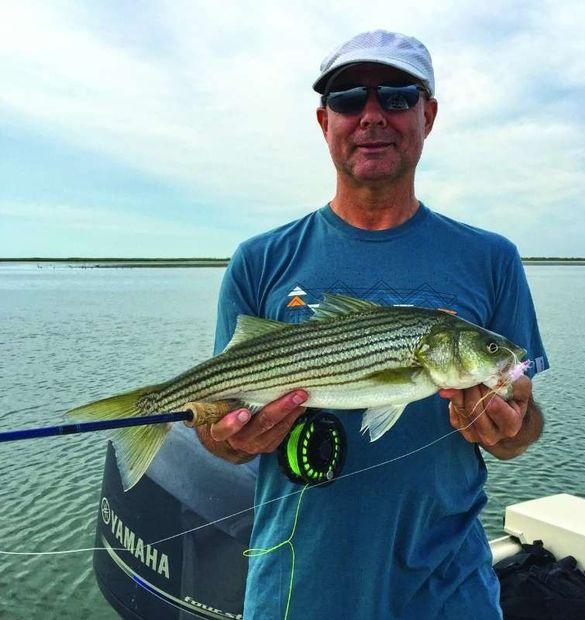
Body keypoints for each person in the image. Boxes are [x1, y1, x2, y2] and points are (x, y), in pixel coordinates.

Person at [196, 30, 549, 619]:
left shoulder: (492, 259)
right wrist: (229, 439)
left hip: (449, 589)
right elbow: (217, 422)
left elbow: (525, 417)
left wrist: (509, 429)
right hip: (297, 584)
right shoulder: (259, 260)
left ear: (428, 115)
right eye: (348, 99)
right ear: (323, 120)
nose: (372, 115)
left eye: (397, 96)